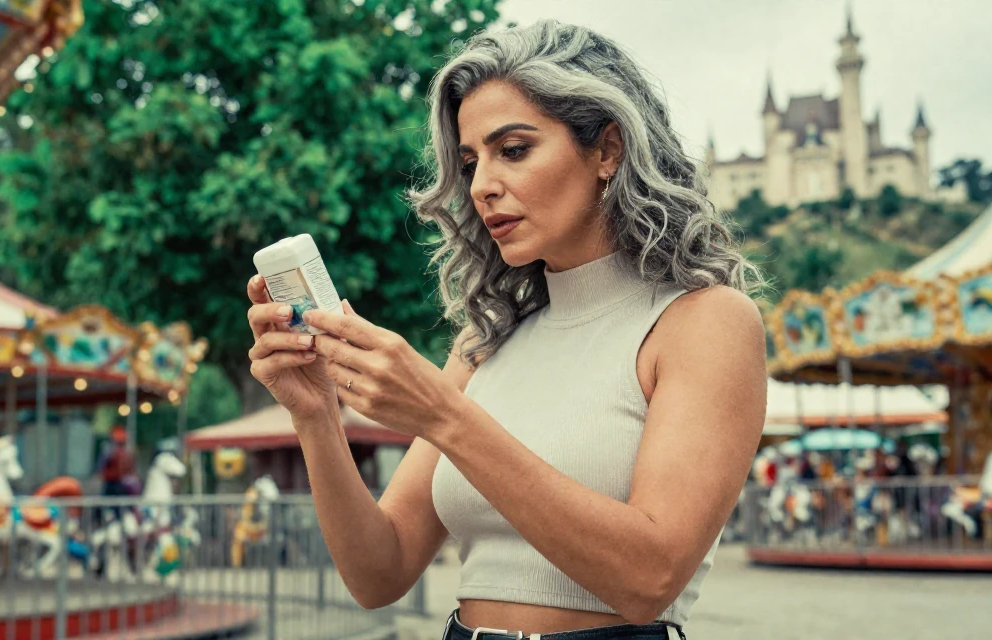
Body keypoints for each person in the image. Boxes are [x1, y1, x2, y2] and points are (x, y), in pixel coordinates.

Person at [246, 21, 766, 640]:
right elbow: (378, 574)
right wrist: (316, 416)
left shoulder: (705, 323)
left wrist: (445, 416)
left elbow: (649, 579)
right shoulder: (484, 343)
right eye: (470, 162)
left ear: (608, 150)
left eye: (513, 149)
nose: (481, 186)